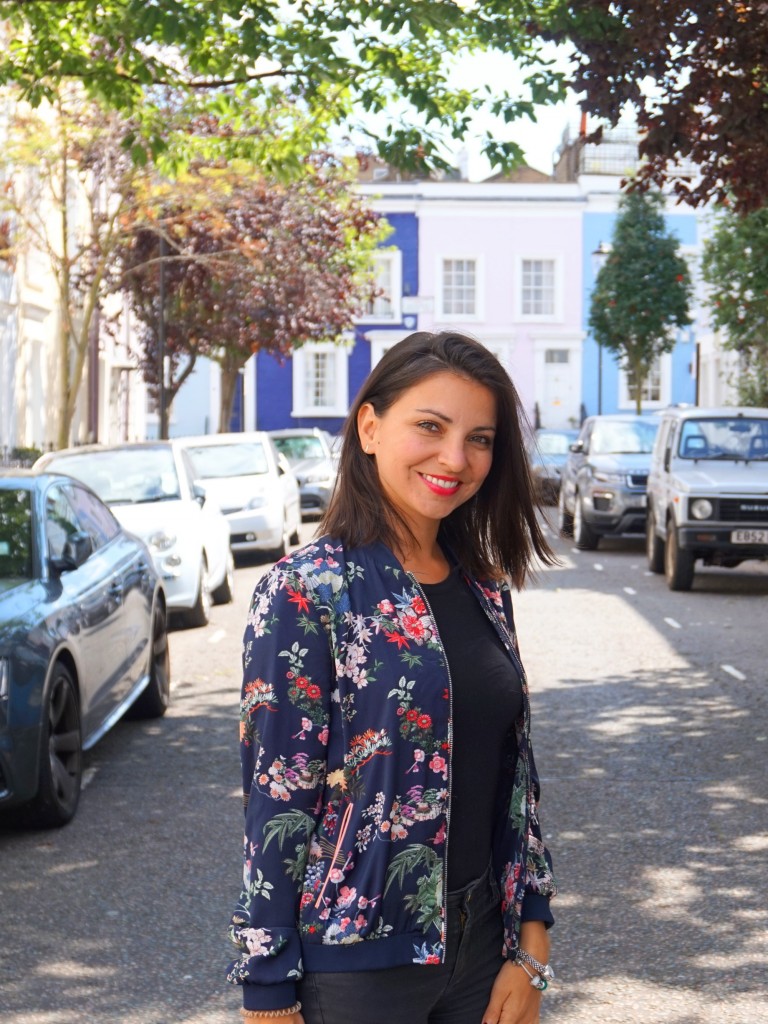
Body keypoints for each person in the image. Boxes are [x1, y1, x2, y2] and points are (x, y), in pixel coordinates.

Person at [227, 331, 558, 1024]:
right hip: (355, 968)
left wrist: (532, 938)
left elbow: (514, 778)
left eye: (479, 439)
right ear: (370, 427)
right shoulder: (306, 591)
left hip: (484, 946)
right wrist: (266, 989)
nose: (455, 458)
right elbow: (277, 799)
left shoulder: (483, 586)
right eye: (430, 427)